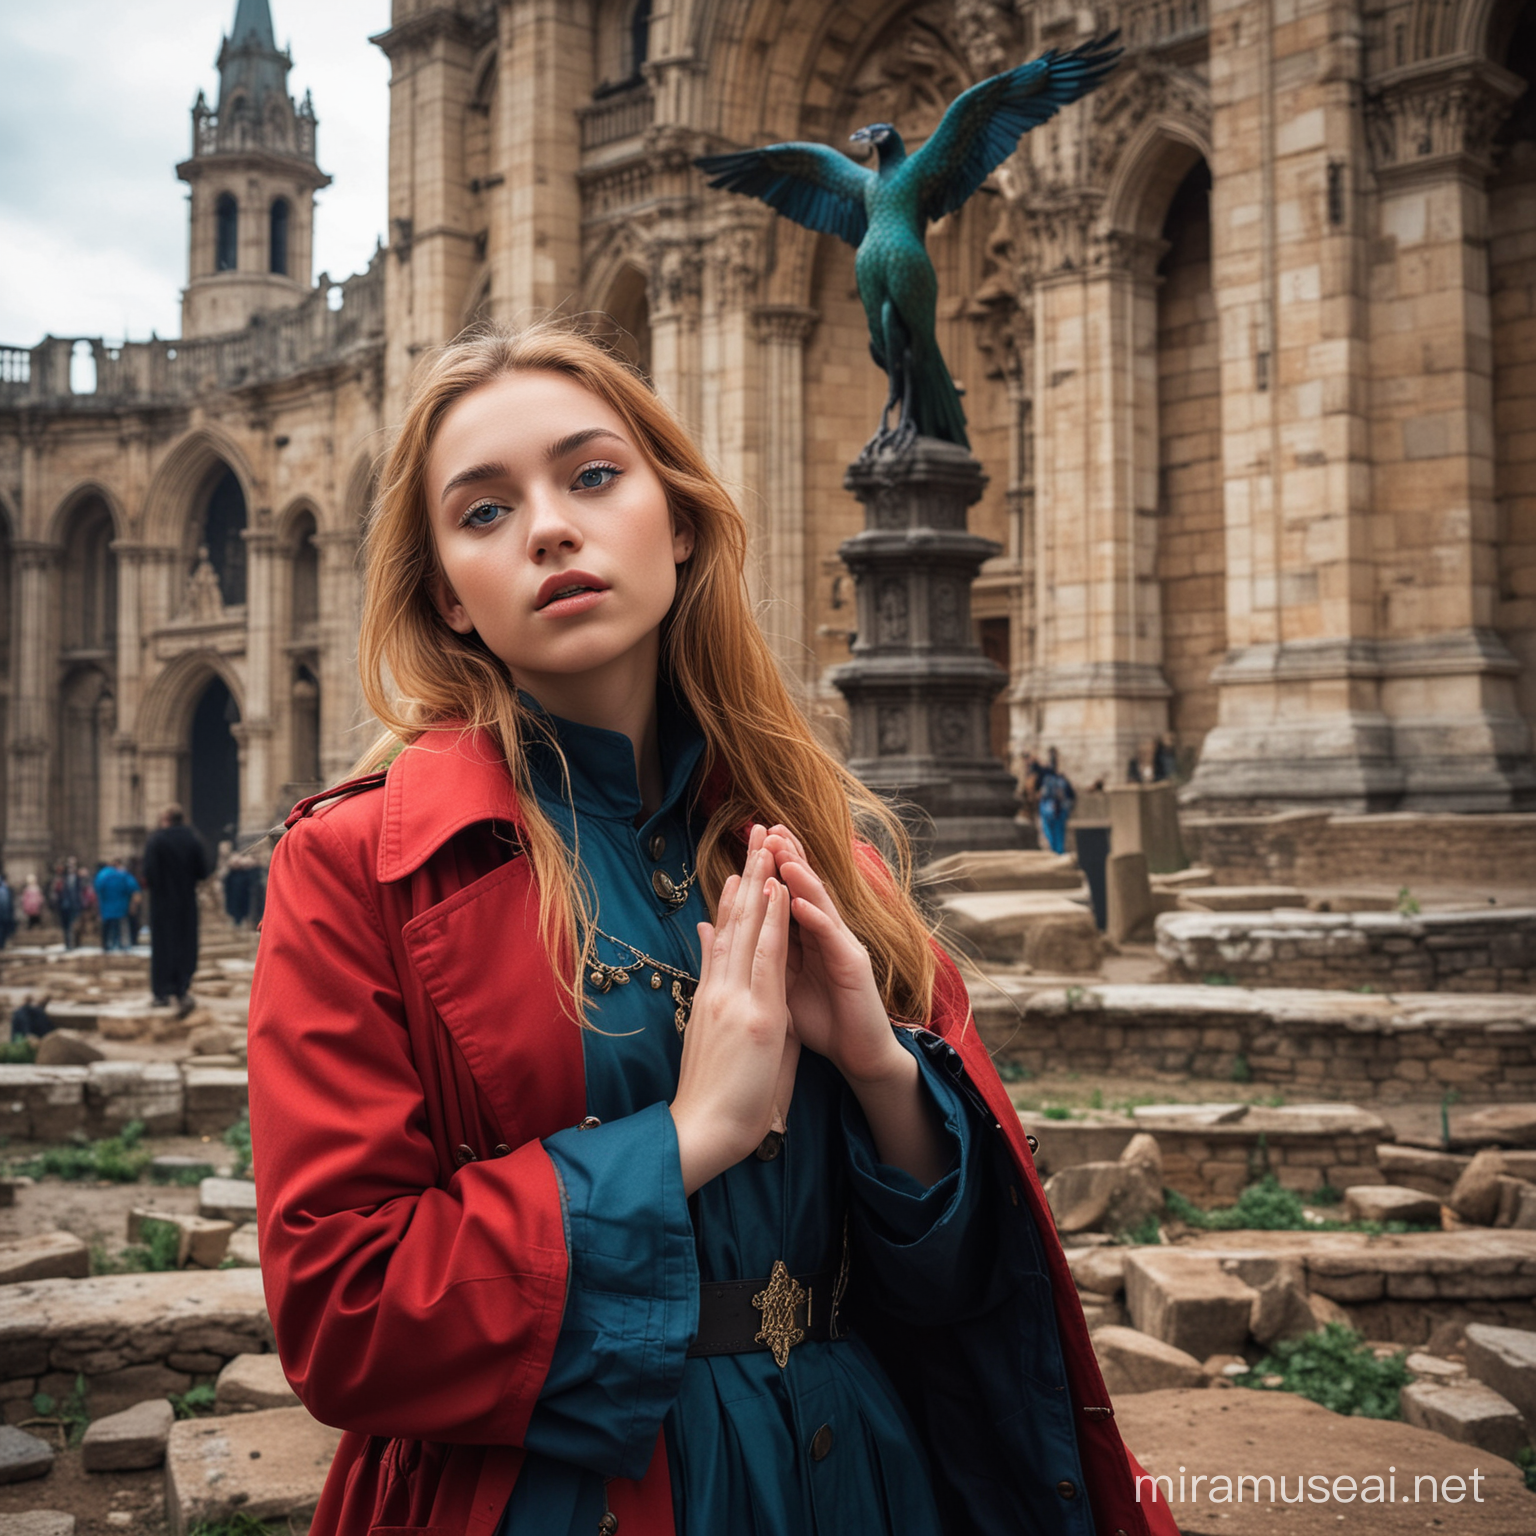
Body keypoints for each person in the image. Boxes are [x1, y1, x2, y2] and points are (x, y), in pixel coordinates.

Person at [247, 324, 1178, 1536]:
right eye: (483, 512)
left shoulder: (823, 844)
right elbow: (343, 1317)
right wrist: (688, 1138)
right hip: (570, 1495)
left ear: (678, 523)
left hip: (862, 1478)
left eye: (592, 476)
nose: (547, 529)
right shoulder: (356, 868)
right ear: (446, 599)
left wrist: (883, 1074)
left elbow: (959, 1291)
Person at [142, 805, 210, 1011]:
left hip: (161, 902)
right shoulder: (193, 839)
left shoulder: (156, 840)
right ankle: (181, 988)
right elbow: (203, 871)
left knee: (162, 945)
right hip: (186, 901)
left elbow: (149, 872)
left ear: (166, 819)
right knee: (185, 943)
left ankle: (161, 992)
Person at [94, 858, 141, 952]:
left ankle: (106, 945)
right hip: (121, 906)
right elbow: (133, 888)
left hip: (106, 906)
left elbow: (98, 887)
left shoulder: (103, 874)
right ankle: (120, 944)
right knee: (120, 926)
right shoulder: (123, 874)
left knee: (107, 926)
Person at [1038, 747, 1076, 857]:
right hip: (1051, 809)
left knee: (1057, 836)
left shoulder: (1058, 780)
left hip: (1057, 810)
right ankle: (1055, 852)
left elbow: (1070, 795)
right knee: (1052, 834)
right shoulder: (1051, 778)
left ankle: (1056, 853)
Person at [51, 857, 88, 950]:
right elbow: (56, 891)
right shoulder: (62, 878)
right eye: (69, 865)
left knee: (75, 926)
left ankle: (75, 944)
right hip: (64, 906)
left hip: (75, 905)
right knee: (66, 926)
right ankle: (68, 944)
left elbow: (83, 890)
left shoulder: (79, 878)